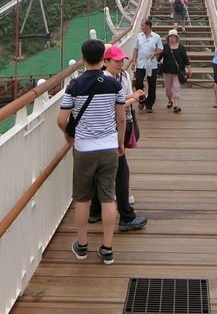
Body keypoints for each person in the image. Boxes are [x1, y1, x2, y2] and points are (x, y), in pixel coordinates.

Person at [57, 38, 125, 264]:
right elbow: (121, 117)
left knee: (83, 198)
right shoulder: (114, 84)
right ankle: (107, 249)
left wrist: (69, 133)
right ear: (103, 60)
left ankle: (83, 245)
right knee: (108, 197)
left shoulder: (74, 86)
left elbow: (61, 119)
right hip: (109, 146)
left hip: (84, 148)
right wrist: (121, 143)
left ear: (83, 59)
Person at [89, 45, 148, 231]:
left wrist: (133, 95)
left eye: (122, 60)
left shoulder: (106, 78)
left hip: (98, 135)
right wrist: (134, 99)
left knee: (101, 173)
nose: (121, 63)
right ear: (105, 61)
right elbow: (118, 109)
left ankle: (95, 211)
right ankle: (126, 217)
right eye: (117, 60)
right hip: (111, 132)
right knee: (121, 174)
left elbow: (119, 101)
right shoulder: (108, 82)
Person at [131, 19, 162, 113]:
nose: (141, 27)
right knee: (138, 82)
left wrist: (154, 53)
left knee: (152, 84)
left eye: (142, 25)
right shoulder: (139, 36)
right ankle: (141, 99)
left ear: (148, 26)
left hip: (151, 64)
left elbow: (161, 49)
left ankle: (149, 105)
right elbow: (136, 49)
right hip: (140, 63)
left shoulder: (156, 37)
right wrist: (133, 61)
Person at [160, 29, 191, 113]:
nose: (172, 38)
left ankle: (176, 105)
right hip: (167, 70)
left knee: (176, 88)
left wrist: (189, 69)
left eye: (174, 36)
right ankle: (170, 100)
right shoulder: (165, 47)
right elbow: (159, 57)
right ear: (168, 38)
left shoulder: (181, 48)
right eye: (170, 36)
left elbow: (185, 59)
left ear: (177, 38)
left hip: (178, 71)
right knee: (168, 89)